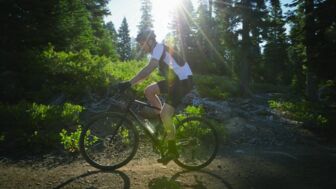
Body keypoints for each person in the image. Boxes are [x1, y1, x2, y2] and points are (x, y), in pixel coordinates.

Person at [118, 29, 193, 164]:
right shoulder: (157, 51)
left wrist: (129, 83)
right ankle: (161, 118)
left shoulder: (158, 48)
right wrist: (132, 83)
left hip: (183, 81)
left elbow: (147, 70)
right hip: (174, 80)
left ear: (150, 41)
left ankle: (172, 150)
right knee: (149, 91)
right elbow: (147, 73)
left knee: (166, 115)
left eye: (142, 43)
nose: (141, 46)